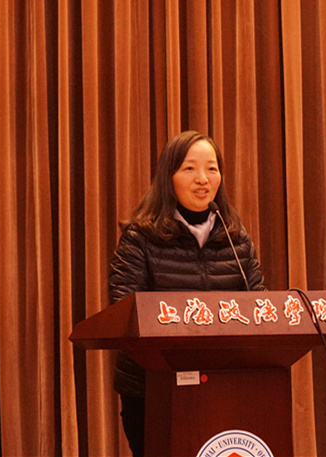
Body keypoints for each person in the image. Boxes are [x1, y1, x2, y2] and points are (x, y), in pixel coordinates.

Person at [108, 130, 266, 457]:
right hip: (154, 391)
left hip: (226, 387)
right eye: (190, 168)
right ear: (169, 177)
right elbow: (124, 312)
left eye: (212, 169)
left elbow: (261, 310)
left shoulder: (236, 239)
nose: (202, 179)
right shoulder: (140, 237)